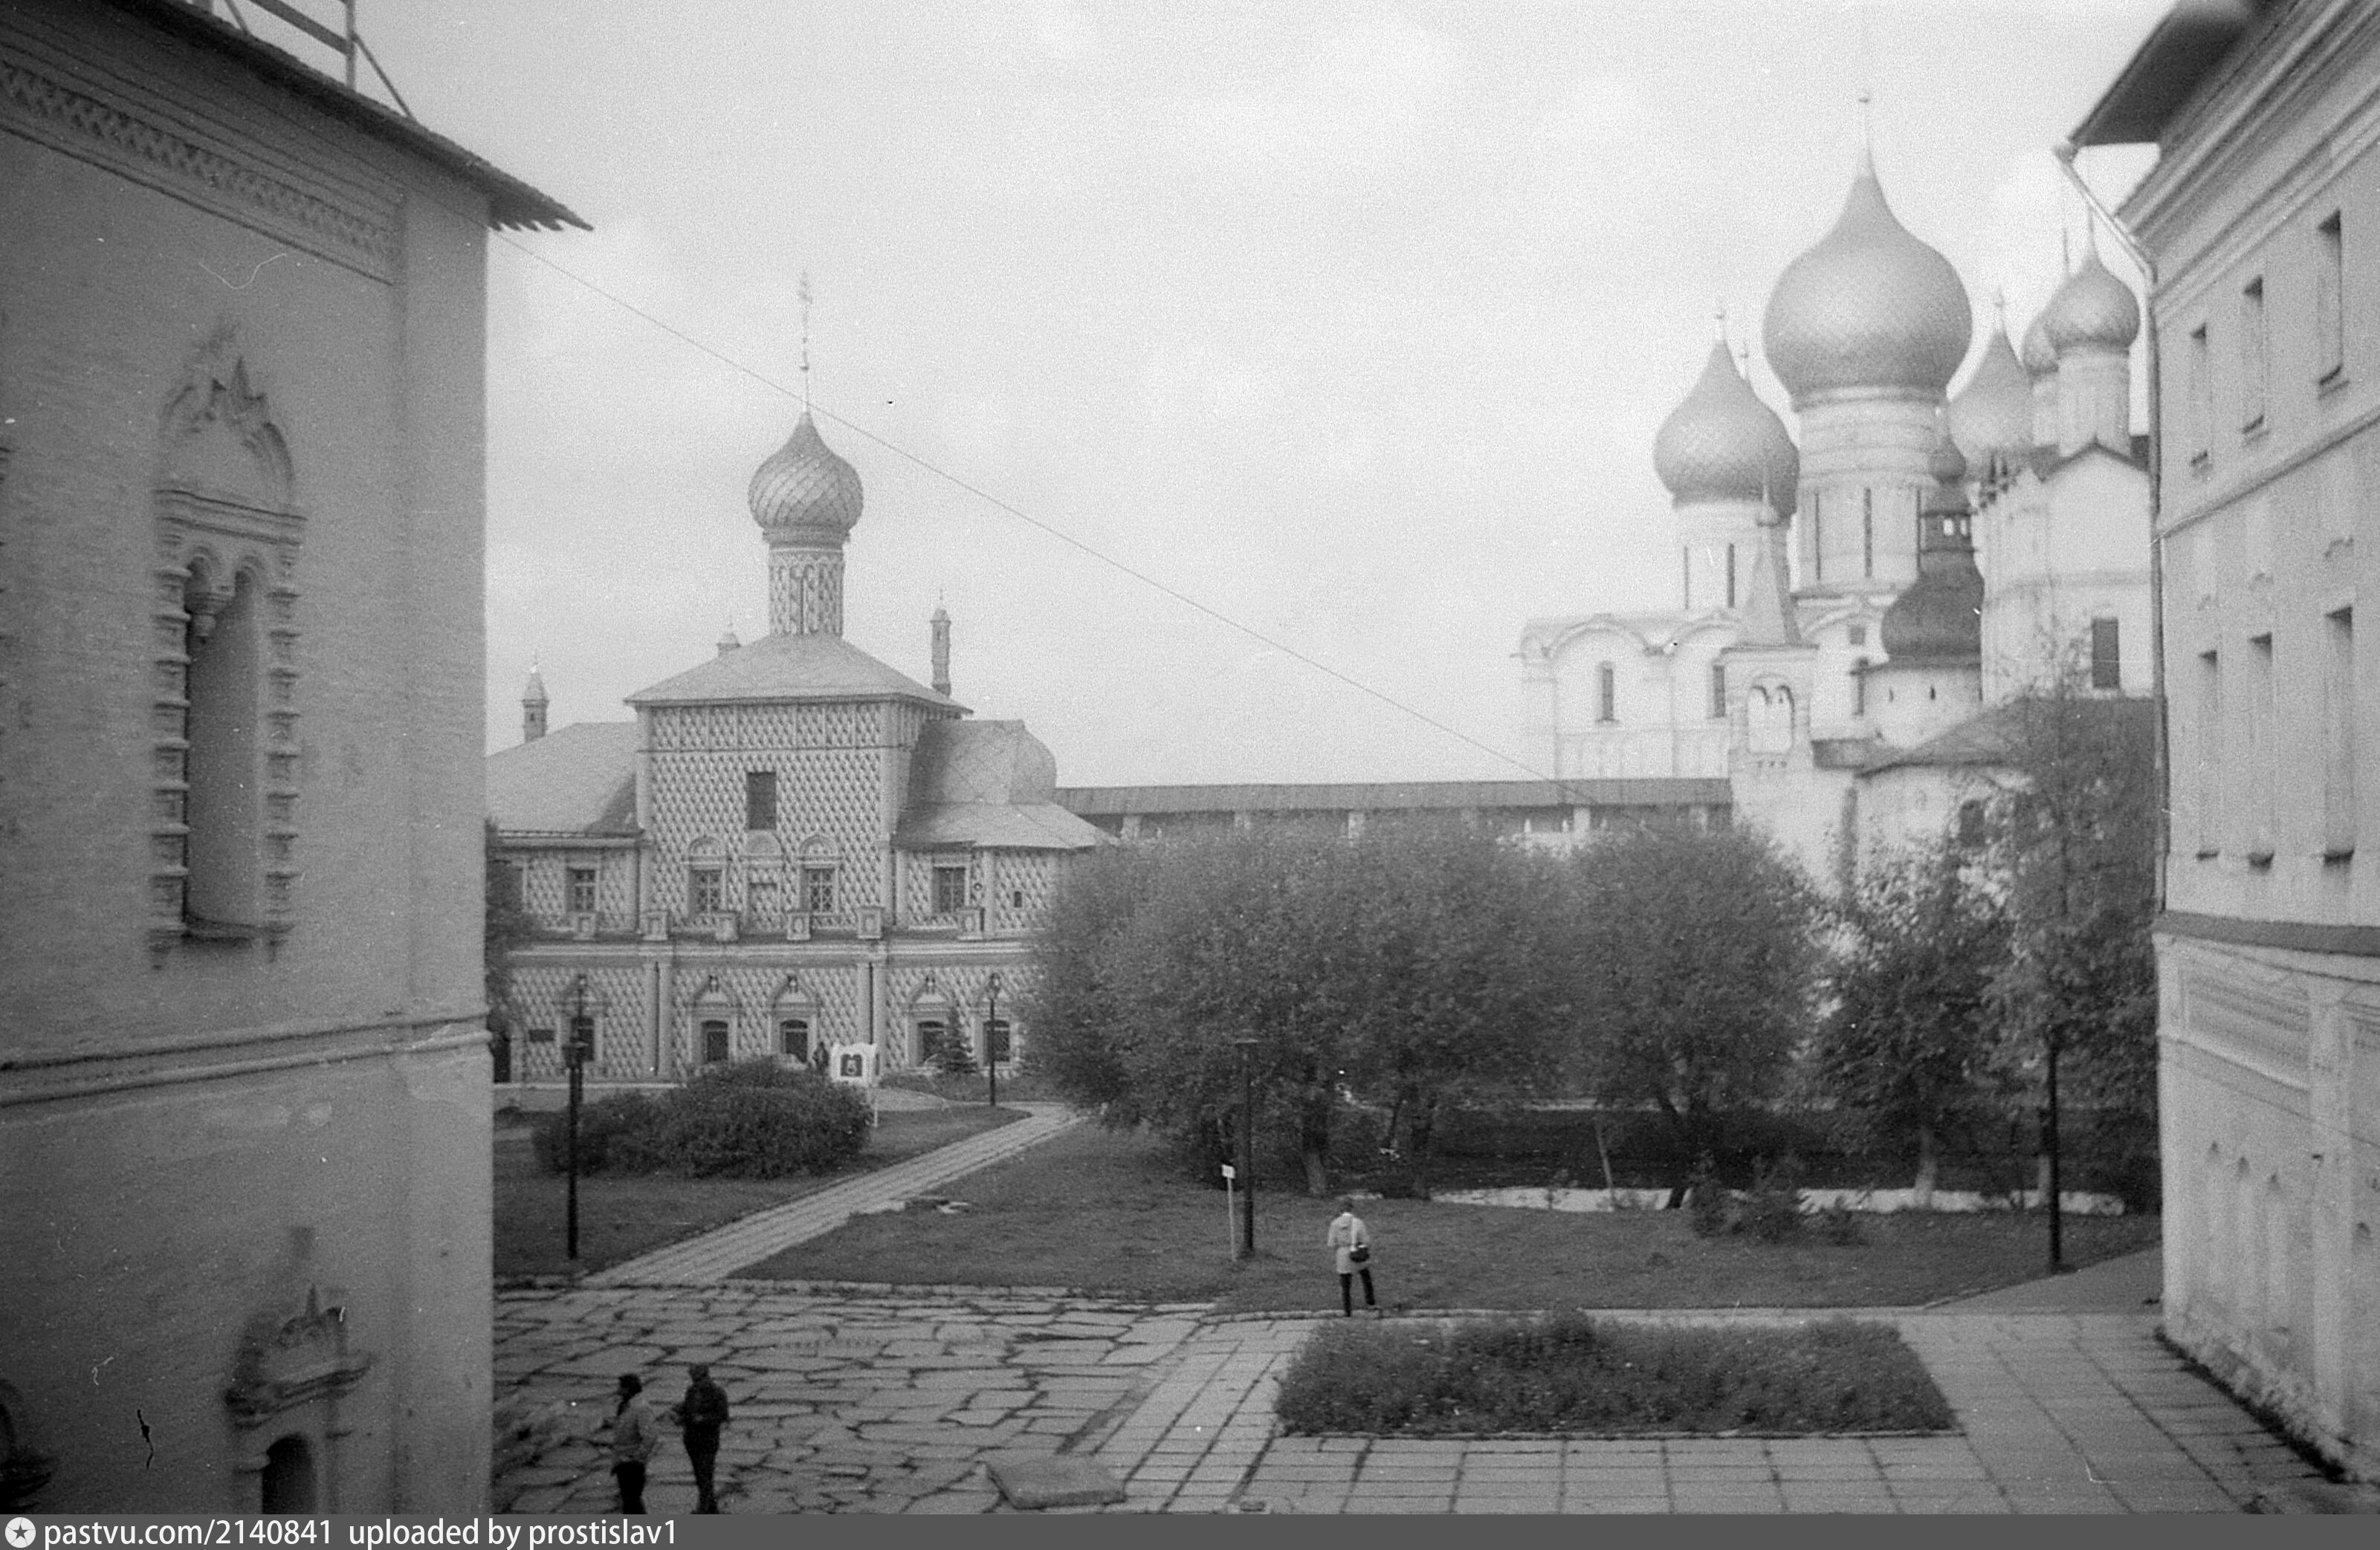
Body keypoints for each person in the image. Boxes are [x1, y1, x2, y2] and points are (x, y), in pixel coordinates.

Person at [670, 1362, 731, 1514]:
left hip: (707, 1440)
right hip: (691, 1439)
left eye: (696, 1378)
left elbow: (723, 1415)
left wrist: (703, 1419)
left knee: (705, 1476)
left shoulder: (717, 1393)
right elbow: (688, 1409)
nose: (695, 1382)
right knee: (700, 1476)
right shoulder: (692, 1390)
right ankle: (711, 1507)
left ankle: (702, 1510)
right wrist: (678, 1412)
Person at [609, 1373, 660, 1514]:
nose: (618, 1390)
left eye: (621, 1387)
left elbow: (650, 1436)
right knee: (629, 1500)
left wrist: (638, 1456)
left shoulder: (640, 1408)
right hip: (622, 1460)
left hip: (632, 1461)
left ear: (628, 1389)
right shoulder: (625, 1406)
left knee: (632, 1501)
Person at [1326, 1196, 1377, 1317]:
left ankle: (1347, 1310)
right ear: (1352, 1208)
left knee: (1345, 1283)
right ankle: (1370, 1302)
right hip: (1357, 1252)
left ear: (1340, 1209)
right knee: (1366, 1277)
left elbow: (1331, 1243)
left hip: (1343, 1254)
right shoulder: (1358, 1222)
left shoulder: (1335, 1223)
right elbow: (1366, 1241)